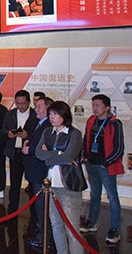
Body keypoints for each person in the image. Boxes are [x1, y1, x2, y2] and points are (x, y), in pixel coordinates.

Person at [35, 101, 84, 254]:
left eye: (55, 114)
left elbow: (69, 156)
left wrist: (49, 155)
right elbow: (38, 153)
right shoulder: (47, 132)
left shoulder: (74, 134)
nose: (52, 117)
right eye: (50, 114)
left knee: (72, 228)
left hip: (68, 185)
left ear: (65, 115)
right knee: (56, 225)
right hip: (50, 185)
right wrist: (58, 153)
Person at [80, 94, 124, 244]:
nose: (95, 108)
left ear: (107, 107)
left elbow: (119, 148)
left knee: (112, 197)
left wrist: (106, 163)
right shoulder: (91, 120)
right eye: (93, 105)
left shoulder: (114, 123)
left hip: (105, 166)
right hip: (91, 164)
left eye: (98, 105)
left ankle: (114, 229)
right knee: (95, 194)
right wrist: (85, 156)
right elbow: (86, 139)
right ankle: (92, 222)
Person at [22, 96, 54, 248]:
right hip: (34, 171)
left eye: (40, 107)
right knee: (39, 206)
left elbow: (44, 149)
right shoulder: (40, 124)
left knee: (43, 207)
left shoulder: (48, 126)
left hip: (40, 172)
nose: (36, 109)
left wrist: (30, 149)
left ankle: (45, 238)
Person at [1, 89, 38, 214]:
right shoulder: (10, 114)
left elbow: (39, 135)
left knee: (32, 185)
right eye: (17, 103)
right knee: (14, 184)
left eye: (23, 103)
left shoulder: (35, 115)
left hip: (30, 154)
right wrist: (8, 134)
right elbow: (3, 130)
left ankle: (34, 214)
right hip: (15, 152)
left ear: (29, 102)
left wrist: (28, 136)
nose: (20, 106)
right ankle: (12, 211)